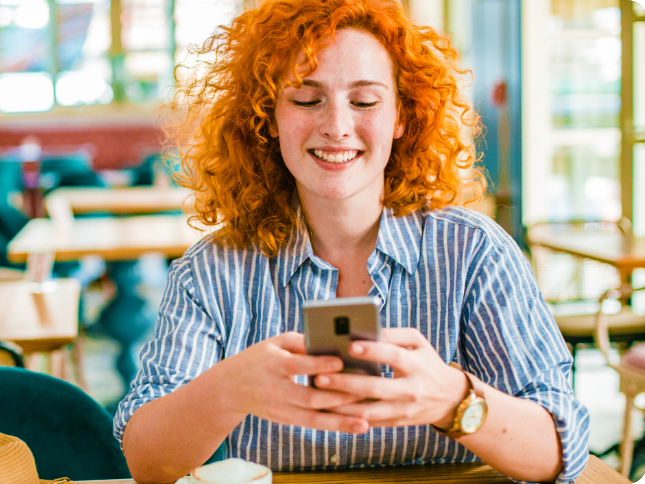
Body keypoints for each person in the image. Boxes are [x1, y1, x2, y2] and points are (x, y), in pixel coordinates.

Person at [113, 1, 590, 483]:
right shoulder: (212, 270)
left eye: (364, 102)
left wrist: (452, 399)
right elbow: (147, 463)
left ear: (402, 116)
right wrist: (227, 390)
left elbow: (559, 452)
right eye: (305, 99)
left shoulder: (474, 254)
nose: (337, 126)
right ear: (268, 115)